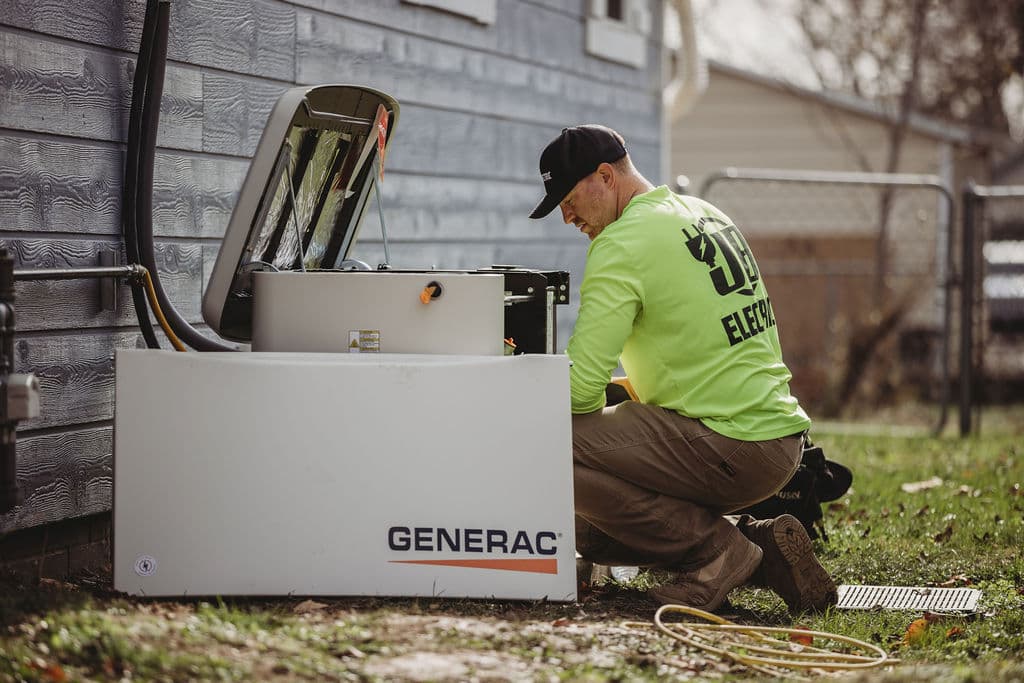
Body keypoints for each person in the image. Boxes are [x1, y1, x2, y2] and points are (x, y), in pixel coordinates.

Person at [528, 125, 837, 614]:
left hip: (729, 442)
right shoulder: (703, 214)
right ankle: (760, 550)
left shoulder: (621, 243)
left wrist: (513, 389)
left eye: (568, 199)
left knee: (540, 441)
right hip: (778, 442)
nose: (566, 217)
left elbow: (580, 392)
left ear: (604, 177)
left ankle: (718, 554)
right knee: (592, 532)